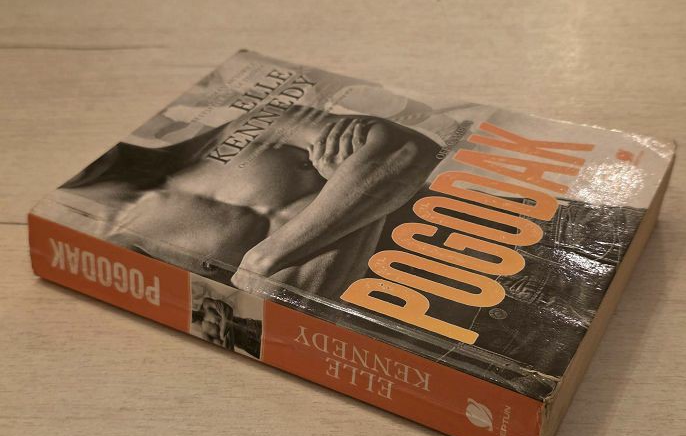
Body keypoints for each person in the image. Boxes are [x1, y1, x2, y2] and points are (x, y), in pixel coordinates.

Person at [63, 105, 440, 298]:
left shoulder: (257, 125)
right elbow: (279, 309)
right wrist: (359, 191)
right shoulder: (124, 249)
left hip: (463, 238)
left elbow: (410, 149)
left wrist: (261, 261)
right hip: (417, 319)